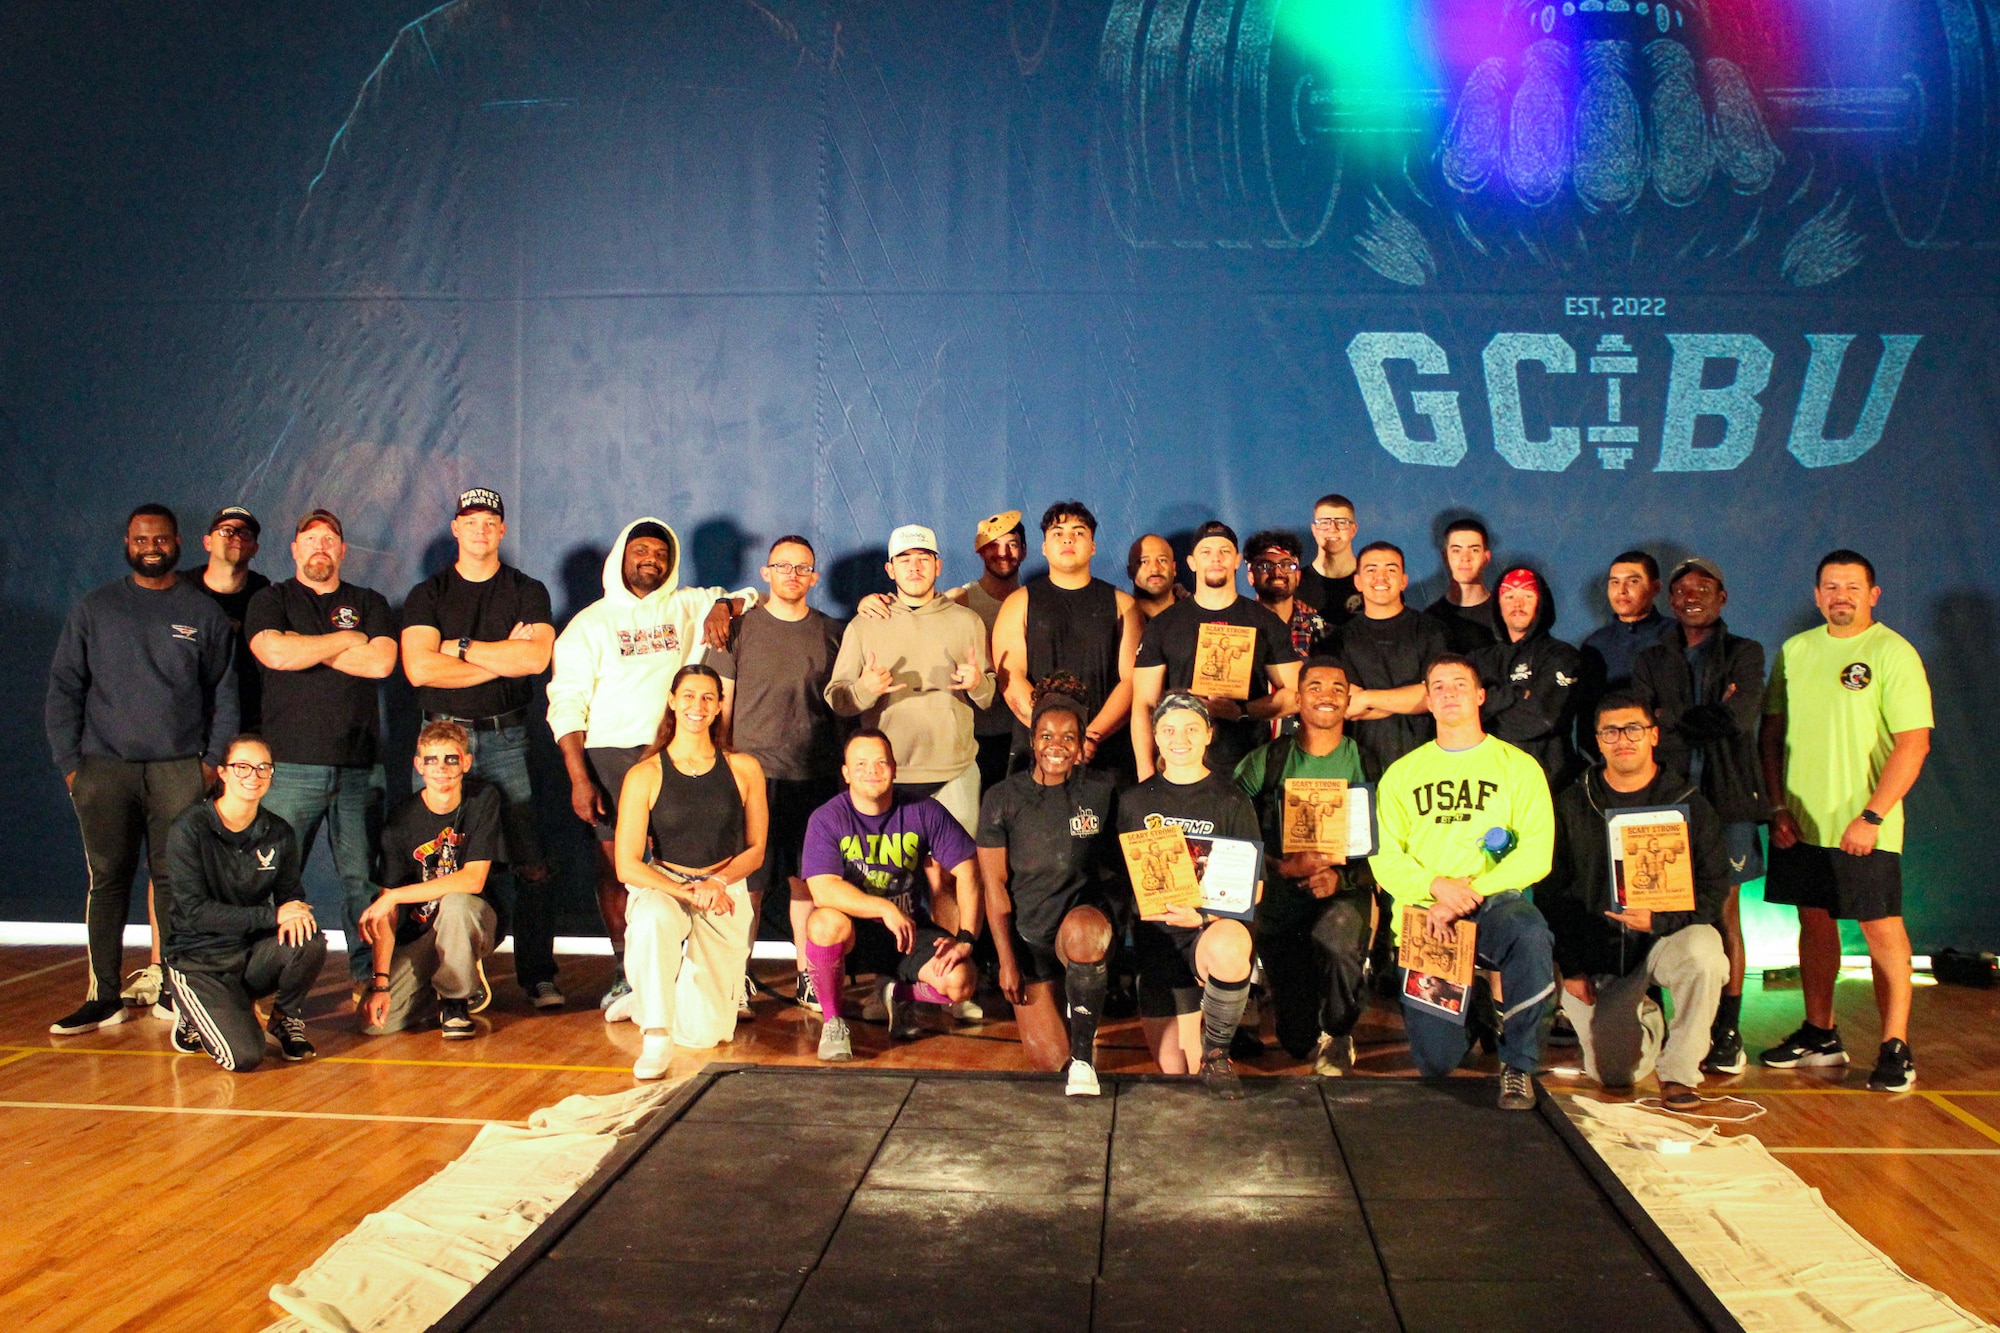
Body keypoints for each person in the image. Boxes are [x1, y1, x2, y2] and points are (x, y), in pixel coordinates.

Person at [546, 517, 755, 1009]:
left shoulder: (686, 604)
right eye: (640, 550)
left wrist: (723, 605)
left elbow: (753, 594)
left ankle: (689, 971)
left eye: (660, 553)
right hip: (609, 755)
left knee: (683, 861)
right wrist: (580, 778)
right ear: (620, 556)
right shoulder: (588, 624)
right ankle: (627, 971)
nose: (651, 560)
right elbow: (566, 704)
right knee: (619, 867)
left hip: (676, 748)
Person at [46, 504, 237, 1035]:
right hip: (104, 770)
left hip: (180, 770)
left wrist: (210, 764)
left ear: (177, 543)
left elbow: (225, 694)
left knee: (177, 883)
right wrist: (71, 766)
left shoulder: (202, 613)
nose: (150, 546)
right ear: (128, 544)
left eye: (159, 538)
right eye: (139, 539)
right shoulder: (96, 608)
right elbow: (64, 690)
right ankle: (103, 998)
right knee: (107, 882)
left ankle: (176, 995)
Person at [1759, 550, 1932, 1093]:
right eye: (1831, 587)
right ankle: (1820, 1033)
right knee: (1813, 922)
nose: (1842, 596)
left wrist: (1873, 815)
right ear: (1816, 596)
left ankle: (1895, 1046)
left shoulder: (1892, 652)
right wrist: (1778, 808)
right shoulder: (1795, 651)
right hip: (1800, 823)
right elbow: (1769, 736)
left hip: (1864, 826)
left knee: (1882, 930)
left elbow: (1913, 744)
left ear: (1873, 594)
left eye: (1853, 587)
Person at [399, 488, 561, 1009]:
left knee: (530, 861)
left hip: (505, 737)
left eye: (491, 520)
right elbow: (419, 669)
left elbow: (535, 661)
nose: (481, 529)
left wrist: (460, 647)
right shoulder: (429, 592)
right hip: (442, 740)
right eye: (471, 520)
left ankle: (538, 976)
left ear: (503, 530)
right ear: (455, 528)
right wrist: (500, 656)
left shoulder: (526, 589)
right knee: (427, 860)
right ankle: (425, 975)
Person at [1372, 655, 1556, 1110]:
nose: (1449, 693)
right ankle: (1474, 1011)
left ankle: (1518, 1066)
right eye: (1438, 686)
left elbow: (1537, 854)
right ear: (1428, 701)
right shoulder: (1401, 775)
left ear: (1480, 696)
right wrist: (1436, 888)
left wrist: (1465, 894)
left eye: (1459, 684)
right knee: (1437, 1062)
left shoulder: (1519, 767)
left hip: (1493, 905)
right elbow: (1384, 860)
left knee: (1529, 933)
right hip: (1425, 915)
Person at [1539, 694, 1729, 1110]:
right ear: (1597, 740)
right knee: (1614, 1075)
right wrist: (1572, 967)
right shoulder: (1572, 803)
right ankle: (1644, 1017)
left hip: (1666, 938)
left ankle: (1680, 1074)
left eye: (1633, 729)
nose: (1622, 739)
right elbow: (1552, 892)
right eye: (1610, 731)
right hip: (1600, 953)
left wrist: (1660, 920)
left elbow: (1715, 888)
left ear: (1653, 735)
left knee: (1706, 953)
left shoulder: (1689, 801)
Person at [245, 509, 399, 998]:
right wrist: (344, 641)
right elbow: (272, 653)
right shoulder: (271, 599)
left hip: (359, 766)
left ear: (342, 550)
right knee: (272, 874)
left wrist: (304, 646)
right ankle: (262, 977)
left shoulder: (368, 601)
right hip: (290, 765)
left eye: (329, 538)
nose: (320, 546)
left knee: (361, 880)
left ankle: (364, 977)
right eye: (310, 538)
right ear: (293, 549)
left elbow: (380, 663)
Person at [1631, 557, 1767, 1074]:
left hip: (1727, 801)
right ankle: (1667, 1023)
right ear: (1670, 600)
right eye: (1683, 589)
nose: (1693, 596)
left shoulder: (1745, 652)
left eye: (1704, 587)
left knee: (1723, 913)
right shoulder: (1651, 657)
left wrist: (1673, 722)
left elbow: (1737, 719)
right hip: (1665, 805)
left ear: (1723, 597)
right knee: (1658, 910)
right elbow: (1645, 728)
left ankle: (1726, 1029)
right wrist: (1694, 719)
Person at [606, 664, 768, 1080]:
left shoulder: (744, 768)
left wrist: (716, 883)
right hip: (667, 885)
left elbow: (755, 850)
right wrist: (685, 892)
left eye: (708, 698)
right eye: (690, 696)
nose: (698, 705)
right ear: (673, 702)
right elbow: (627, 864)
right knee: (654, 919)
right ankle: (655, 1030)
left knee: (705, 1035)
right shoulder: (645, 773)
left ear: (718, 708)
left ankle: (645, 1000)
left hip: (722, 887)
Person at [712, 534, 846, 1016]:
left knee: (805, 883)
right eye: (782, 566)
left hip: (813, 776)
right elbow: (720, 704)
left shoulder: (833, 631)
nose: (792, 574)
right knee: (748, 882)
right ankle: (734, 977)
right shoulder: (738, 628)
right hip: (751, 778)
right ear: (765, 573)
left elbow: (842, 709)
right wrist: (721, 769)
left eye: (802, 567)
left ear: (813, 577)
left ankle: (810, 978)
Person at [797, 730, 983, 1062]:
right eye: (861, 763)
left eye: (881, 762)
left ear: (895, 767)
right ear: (846, 773)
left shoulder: (923, 810)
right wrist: (882, 907)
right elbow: (822, 889)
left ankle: (896, 992)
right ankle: (833, 1022)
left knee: (961, 983)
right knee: (824, 923)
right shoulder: (827, 818)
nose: (872, 771)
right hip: (853, 934)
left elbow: (969, 872)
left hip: (907, 931)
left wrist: (966, 938)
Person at [1234, 656, 1375, 1075]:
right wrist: (1279, 867)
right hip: (1282, 906)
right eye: (1315, 687)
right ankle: (1310, 1010)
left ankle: (1339, 1029)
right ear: (1297, 699)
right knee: (1296, 1043)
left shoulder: (1367, 763)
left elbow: (1390, 849)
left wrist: (1342, 876)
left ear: (1349, 701)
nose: (1326, 696)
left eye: (1337, 689)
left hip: (1342, 896)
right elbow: (1229, 824)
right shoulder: (1268, 761)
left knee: (1336, 936)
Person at [1117, 692, 1263, 1097]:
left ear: (1208, 735)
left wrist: (1202, 916)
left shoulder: (1231, 799)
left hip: (1204, 936)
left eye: (1191, 729)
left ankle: (1218, 1055)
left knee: (1233, 943)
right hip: (1157, 942)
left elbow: (1255, 885)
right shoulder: (1133, 801)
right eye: (1168, 730)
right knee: (1175, 1075)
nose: (1179, 738)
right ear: (1155, 737)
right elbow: (1121, 876)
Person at [978, 687, 1120, 1096]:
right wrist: (1007, 959)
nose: (1056, 746)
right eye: (1046, 736)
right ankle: (1070, 1046)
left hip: (1081, 925)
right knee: (1047, 1063)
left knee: (1083, 933)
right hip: (1029, 941)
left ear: (1080, 747)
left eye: (1068, 738)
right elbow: (995, 887)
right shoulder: (1002, 798)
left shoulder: (1101, 791)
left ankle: (1085, 1061)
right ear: (1032, 740)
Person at [162, 733, 324, 1069]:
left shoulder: (278, 831)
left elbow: (290, 897)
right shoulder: (189, 829)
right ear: (222, 772)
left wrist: (292, 910)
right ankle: (193, 1011)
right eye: (242, 767)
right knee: (246, 1057)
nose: (253, 776)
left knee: (308, 937)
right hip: (200, 961)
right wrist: (274, 915)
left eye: (263, 768)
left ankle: (284, 1018)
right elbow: (195, 914)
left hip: (249, 956)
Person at [824, 524, 996, 833]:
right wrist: (865, 689)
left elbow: (988, 696)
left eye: (924, 558)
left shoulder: (967, 621)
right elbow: (837, 699)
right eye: (904, 559)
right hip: (888, 776)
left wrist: (977, 684)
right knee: (888, 876)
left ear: (938, 566)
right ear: (890, 569)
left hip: (955, 772)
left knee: (958, 875)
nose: (914, 567)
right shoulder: (865, 624)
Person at [356, 721, 505, 1041]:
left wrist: (395, 896)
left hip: (474, 920)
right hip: (423, 932)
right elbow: (387, 913)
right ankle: (437, 989)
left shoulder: (482, 800)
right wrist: (381, 981)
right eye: (432, 760)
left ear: (465, 762)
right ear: (418, 765)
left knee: (455, 902)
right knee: (376, 1024)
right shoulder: (400, 822)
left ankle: (455, 1000)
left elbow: (473, 880)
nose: (442, 769)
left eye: (451, 759)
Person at [1131, 520, 1299, 780]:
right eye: (1206, 552)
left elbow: (1296, 695)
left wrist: (1242, 712)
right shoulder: (1164, 624)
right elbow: (1143, 703)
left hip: (1249, 767)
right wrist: (1146, 772)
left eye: (1224, 551)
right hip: (1180, 767)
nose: (1216, 559)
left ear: (1237, 560)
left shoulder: (1264, 622)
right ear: (1191, 563)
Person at [990, 501, 1144, 776]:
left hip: (1103, 751)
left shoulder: (1124, 605)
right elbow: (1010, 677)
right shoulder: (1018, 603)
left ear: (1094, 546)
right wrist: (1056, 738)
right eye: (1057, 533)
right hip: (1035, 753)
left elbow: (1132, 680)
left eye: (1078, 532)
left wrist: (1090, 736)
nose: (1068, 538)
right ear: (1044, 547)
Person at [1317, 541, 1449, 781]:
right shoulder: (1338, 641)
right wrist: (1408, 697)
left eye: (1391, 570)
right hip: (1360, 767)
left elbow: (1435, 696)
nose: (1381, 577)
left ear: (1403, 580)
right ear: (1357, 581)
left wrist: (1368, 697)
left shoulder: (1432, 631)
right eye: (1371, 570)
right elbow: (1348, 707)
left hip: (1427, 764)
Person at [1473, 567, 1582, 791]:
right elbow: (1460, 718)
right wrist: (1515, 694)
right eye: (1509, 596)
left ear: (1541, 604)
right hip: (1489, 784)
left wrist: (1485, 712)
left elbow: (1540, 718)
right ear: (1498, 606)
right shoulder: (1478, 660)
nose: (1518, 604)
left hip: (1551, 784)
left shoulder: (1561, 655)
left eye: (1527, 596)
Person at [954, 511, 1026, 790]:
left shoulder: (1034, 602)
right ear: (981, 551)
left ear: (1025, 551)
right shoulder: (959, 600)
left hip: (1020, 734)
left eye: (1012, 544)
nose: (1003, 553)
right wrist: (877, 602)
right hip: (971, 738)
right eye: (994, 545)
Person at [191, 506, 272, 735]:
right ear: (207, 542)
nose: (235, 537)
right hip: (189, 725)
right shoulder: (181, 591)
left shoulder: (266, 596)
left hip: (248, 726)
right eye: (226, 530)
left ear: (255, 548)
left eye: (245, 533)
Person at [1578, 551, 1671, 727]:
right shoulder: (1595, 645)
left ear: (1656, 587)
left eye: (1633, 581)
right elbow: (1587, 713)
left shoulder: (1676, 635)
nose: (1622, 591)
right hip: (1612, 747)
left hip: (1668, 746)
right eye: (1615, 582)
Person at [1245, 530, 1329, 663]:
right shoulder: (1239, 623)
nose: (1277, 572)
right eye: (1266, 566)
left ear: (1297, 576)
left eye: (1287, 565)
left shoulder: (1315, 625)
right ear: (1251, 577)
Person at [1423, 518, 1503, 655]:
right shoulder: (1431, 620)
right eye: (1456, 550)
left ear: (1486, 557)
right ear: (1445, 557)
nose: (1465, 558)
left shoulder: (1505, 613)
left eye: (1474, 550)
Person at [1295, 494, 1363, 627]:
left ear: (1354, 529)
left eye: (1342, 522)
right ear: (1314, 529)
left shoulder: (1372, 581)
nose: (1332, 529)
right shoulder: (1295, 583)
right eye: (1324, 523)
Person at [1127, 533, 1187, 620]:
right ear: (1130, 571)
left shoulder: (1197, 613)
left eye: (1162, 560)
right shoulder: (1118, 620)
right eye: (1144, 562)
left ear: (1174, 568)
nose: (1155, 569)